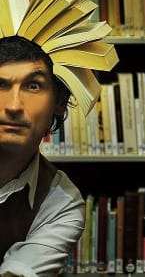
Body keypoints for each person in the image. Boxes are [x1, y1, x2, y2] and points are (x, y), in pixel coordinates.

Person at [0, 36, 84, 276]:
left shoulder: (61, 202)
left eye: (33, 85)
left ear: (60, 102)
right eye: (0, 84)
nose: (14, 106)